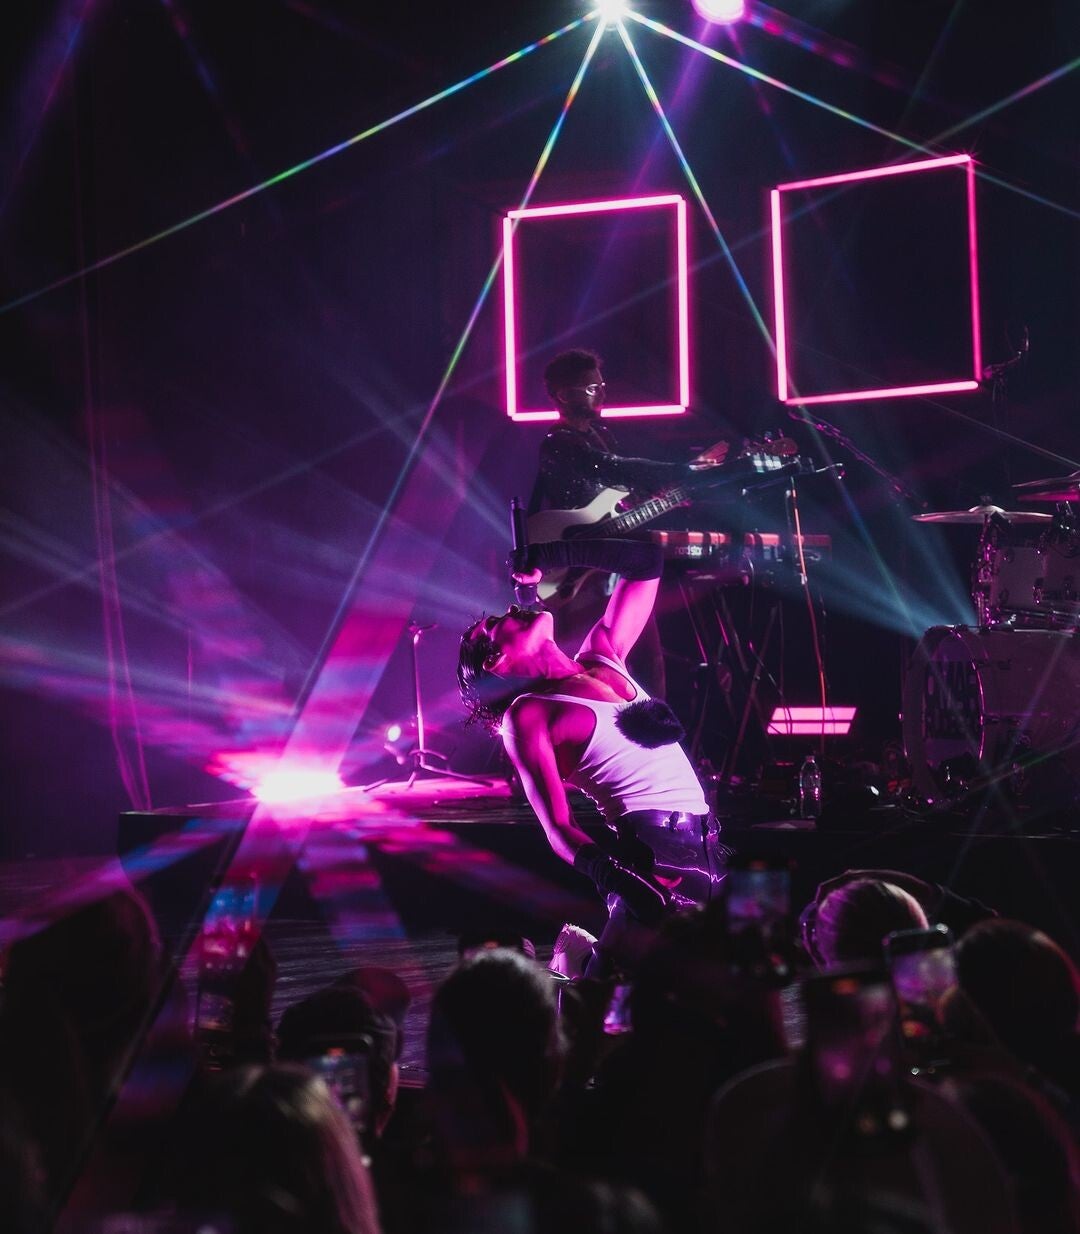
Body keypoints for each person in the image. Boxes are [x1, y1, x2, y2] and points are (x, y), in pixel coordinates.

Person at [457, 534, 729, 974]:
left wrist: (552, 555)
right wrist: (626, 881)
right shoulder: (530, 715)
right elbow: (558, 828)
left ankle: (572, 962)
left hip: (708, 850)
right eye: (493, 625)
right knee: (608, 1003)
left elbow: (646, 561)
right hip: (652, 858)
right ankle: (565, 970)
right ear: (496, 662)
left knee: (701, 998)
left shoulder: (604, 653)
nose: (509, 608)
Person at [528, 348, 729, 698]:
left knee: (647, 667)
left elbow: (621, 491)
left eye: (602, 385)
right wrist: (686, 470)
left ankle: (649, 728)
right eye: (592, 388)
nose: (602, 394)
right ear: (563, 395)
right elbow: (615, 469)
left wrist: (668, 495)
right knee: (596, 672)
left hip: (615, 567)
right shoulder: (558, 444)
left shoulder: (600, 436)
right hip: (580, 577)